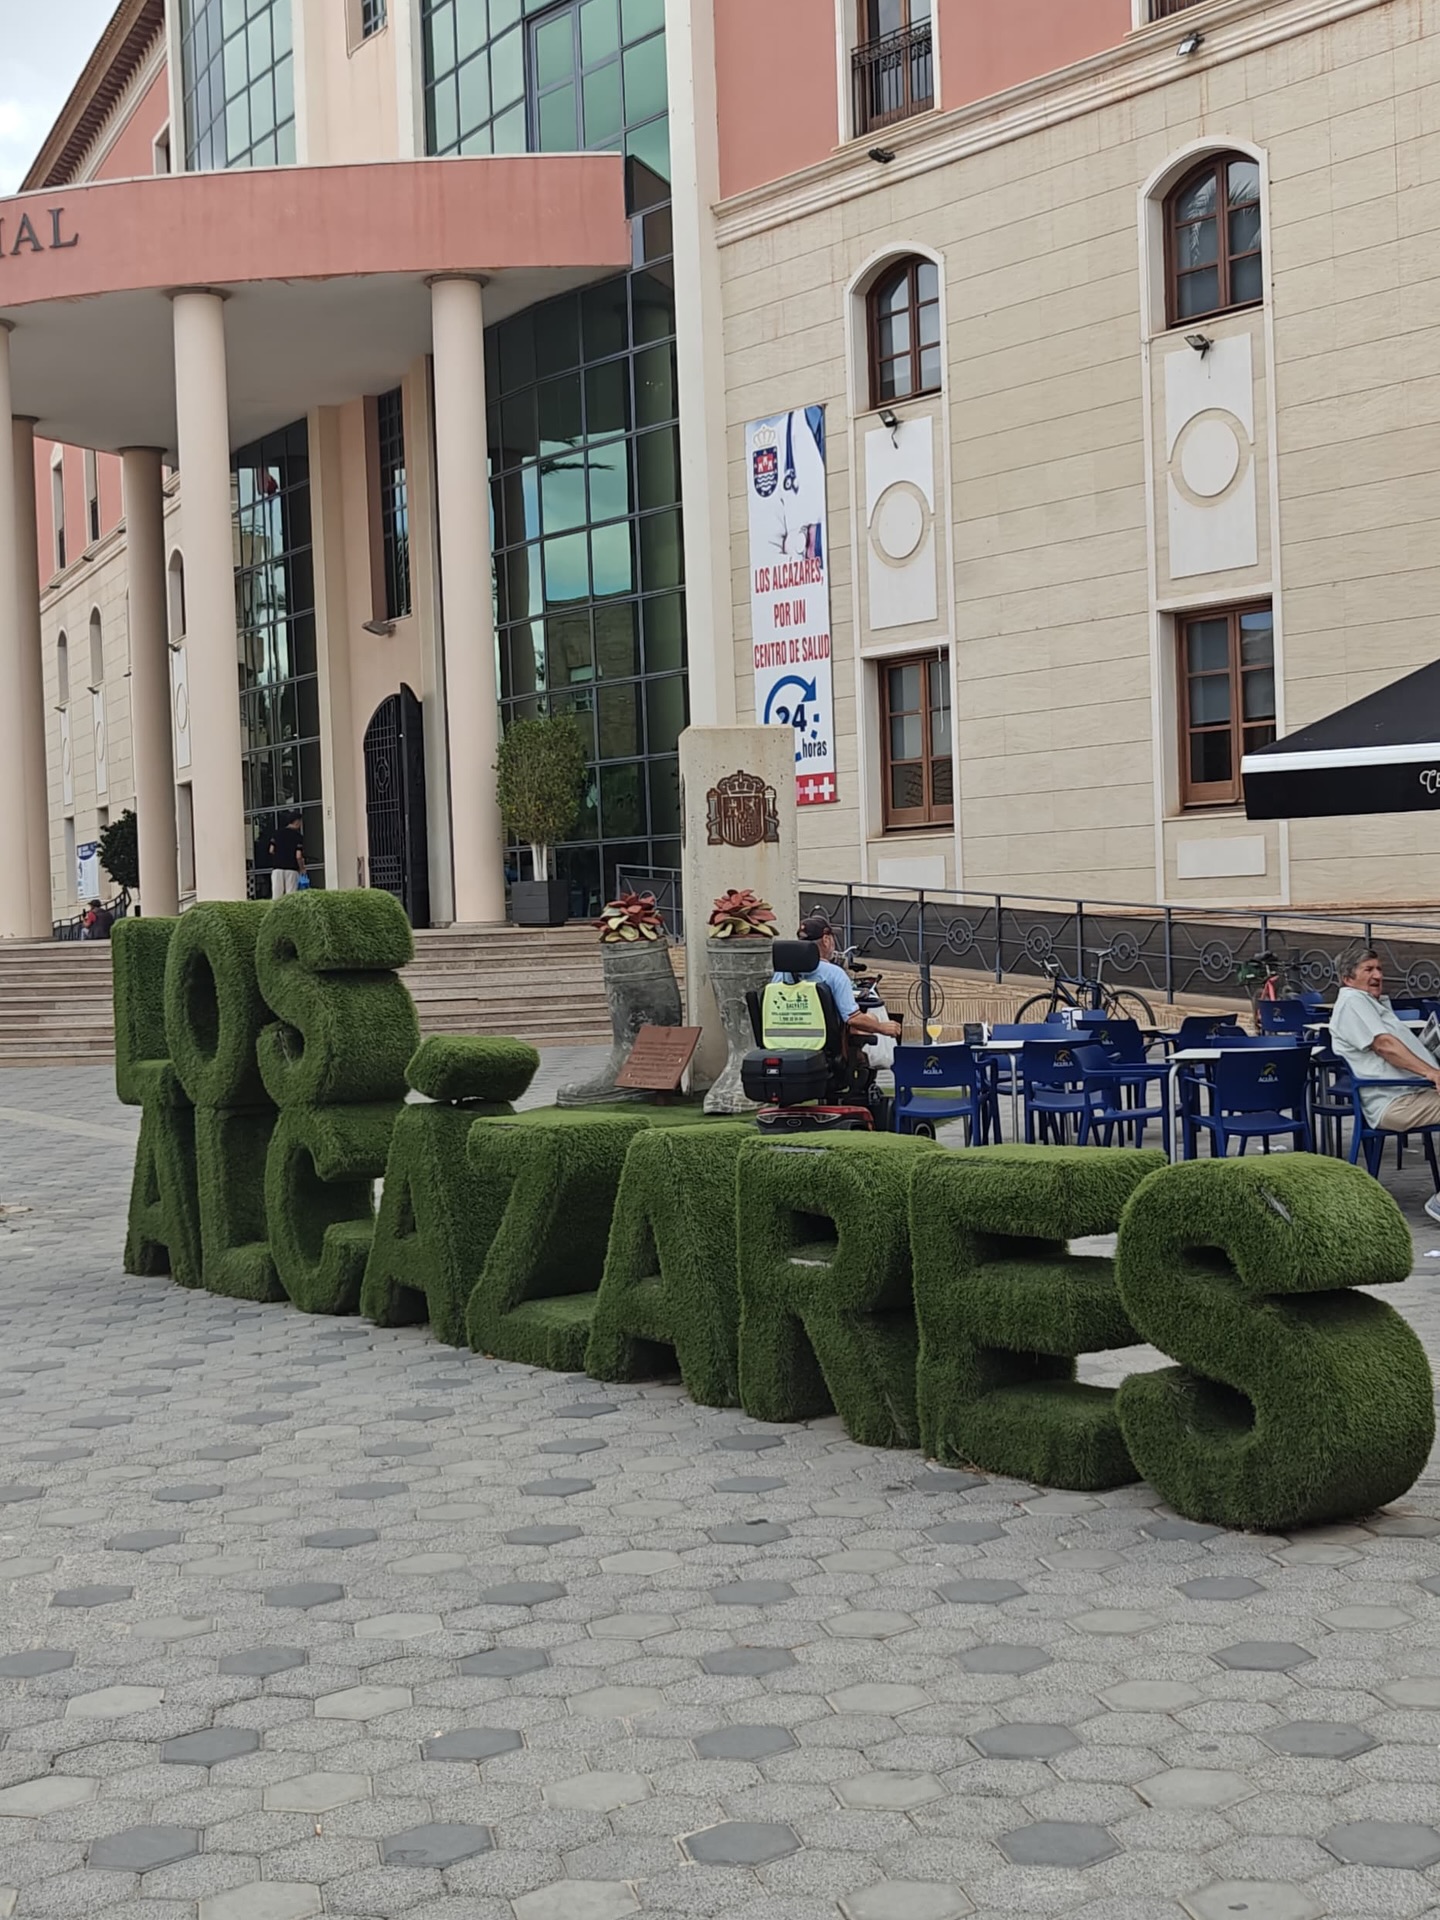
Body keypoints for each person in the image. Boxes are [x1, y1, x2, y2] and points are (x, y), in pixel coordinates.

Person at [1329, 942, 1440, 1222]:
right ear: (1348, 978)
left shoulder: (1371, 1002)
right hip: (1394, 1101)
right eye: (1368, 969)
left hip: (1411, 1093)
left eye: (1379, 968)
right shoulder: (1353, 1001)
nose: (1377, 975)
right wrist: (1431, 1072)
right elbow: (1384, 1046)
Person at [772, 912, 902, 1043]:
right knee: (869, 1020)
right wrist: (882, 1027)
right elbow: (853, 1018)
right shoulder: (834, 974)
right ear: (826, 940)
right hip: (821, 1045)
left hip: (782, 1042)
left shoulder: (782, 972)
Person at [267, 811, 306, 899]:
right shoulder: (298, 836)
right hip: (291, 869)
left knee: (277, 897)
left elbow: (271, 850)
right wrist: (302, 868)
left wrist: (279, 856)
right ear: (297, 821)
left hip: (277, 869)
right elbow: (298, 856)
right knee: (290, 897)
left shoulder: (277, 833)